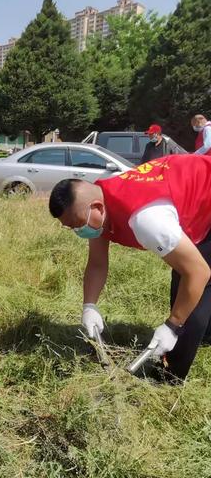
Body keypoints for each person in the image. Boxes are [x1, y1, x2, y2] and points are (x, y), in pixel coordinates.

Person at [48, 154, 211, 382]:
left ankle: (167, 379)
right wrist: (89, 306)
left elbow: (198, 272)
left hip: (205, 195)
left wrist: (173, 325)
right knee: (185, 276)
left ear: (96, 207)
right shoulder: (100, 205)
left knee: (193, 288)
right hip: (193, 193)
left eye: (76, 225)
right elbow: (97, 263)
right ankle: (204, 336)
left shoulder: (146, 220)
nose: (77, 231)